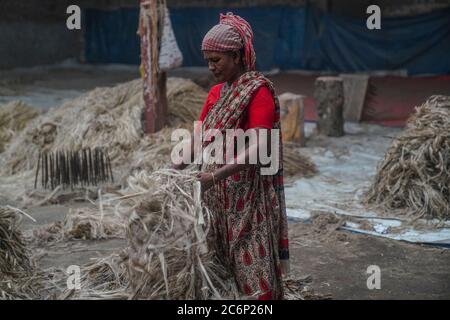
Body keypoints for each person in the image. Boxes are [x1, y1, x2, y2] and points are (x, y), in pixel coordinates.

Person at [174, 12, 289, 300]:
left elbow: (260, 145)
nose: (211, 67)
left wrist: (216, 175)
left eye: (217, 60)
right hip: (214, 197)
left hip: (247, 200)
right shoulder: (215, 93)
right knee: (219, 268)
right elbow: (199, 139)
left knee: (251, 268)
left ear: (237, 56)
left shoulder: (257, 91)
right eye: (208, 60)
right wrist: (172, 170)